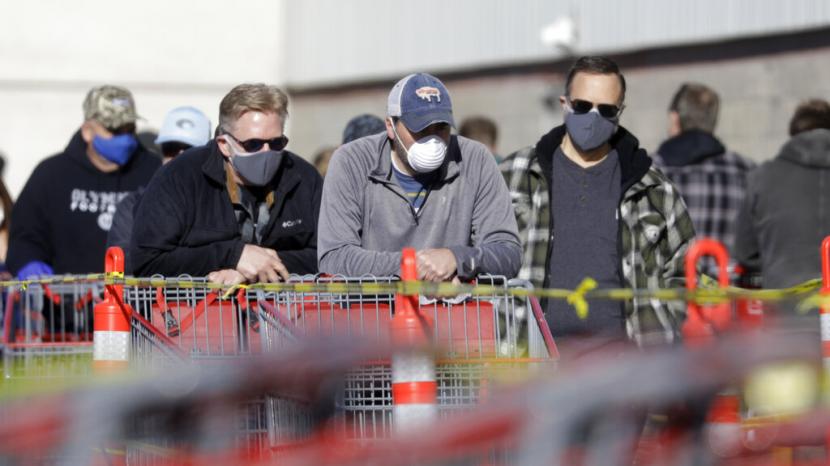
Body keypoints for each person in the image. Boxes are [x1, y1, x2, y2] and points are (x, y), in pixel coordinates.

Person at [500, 56, 695, 347]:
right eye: (582, 106)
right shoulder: (514, 176)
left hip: (625, 369)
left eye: (605, 110)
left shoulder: (653, 188)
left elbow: (685, 273)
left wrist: (663, 329)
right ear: (564, 104)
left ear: (620, 112)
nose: (592, 117)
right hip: (533, 363)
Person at [318, 73, 522, 281]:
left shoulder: (475, 160)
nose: (432, 140)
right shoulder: (352, 162)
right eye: (420, 129)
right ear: (390, 126)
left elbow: (507, 251)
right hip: (372, 310)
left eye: (441, 128)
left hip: (452, 312)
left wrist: (457, 258)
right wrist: (414, 266)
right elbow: (335, 257)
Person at [131, 84, 322, 284]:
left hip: (286, 313)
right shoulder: (179, 177)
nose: (266, 152)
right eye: (253, 144)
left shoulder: (303, 178)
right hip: (197, 312)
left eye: (276, 143)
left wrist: (258, 267)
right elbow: (148, 261)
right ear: (224, 145)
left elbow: (329, 256)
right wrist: (233, 255)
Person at [7, 85, 160, 277]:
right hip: (67, 302)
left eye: (130, 129)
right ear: (88, 131)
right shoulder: (52, 174)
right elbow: (24, 236)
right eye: (115, 130)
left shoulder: (154, 172)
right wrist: (29, 263)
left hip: (134, 302)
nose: (125, 138)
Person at [652, 84, 754, 262]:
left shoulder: (648, 173)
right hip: (728, 287)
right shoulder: (746, 171)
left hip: (669, 288)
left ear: (675, 118)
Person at [735, 99, 830, 289]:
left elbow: (745, 253)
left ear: (793, 134)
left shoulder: (761, 178)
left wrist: (777, 265)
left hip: (785, 306)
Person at [106, 106, 212, 273]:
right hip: (147, 299)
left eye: (190, 151)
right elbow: (127, 265)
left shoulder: (220, 202)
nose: (178, 158)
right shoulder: (132, 205)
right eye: (171, 148)